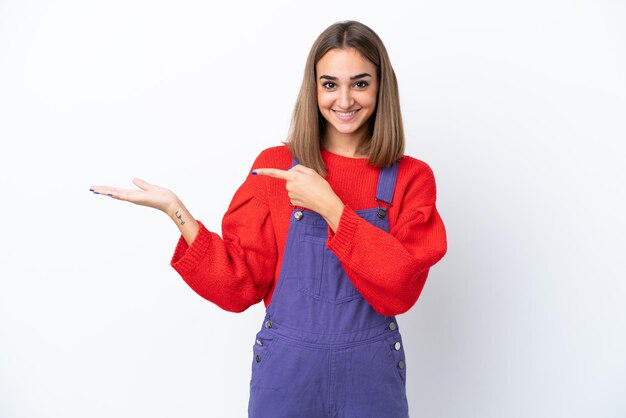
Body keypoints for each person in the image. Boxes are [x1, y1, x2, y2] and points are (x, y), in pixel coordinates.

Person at [90, 20, 447, 418]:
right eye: (330, 84)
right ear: (313, 90)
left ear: (382, 87)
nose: (344, 99)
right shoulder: (275, 168)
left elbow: (400, 287)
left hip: (370, 379)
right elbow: (239, 285)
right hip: (287, 377)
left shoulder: (411, 177)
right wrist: (176, 210)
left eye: (360, 83)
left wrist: (330, 207)